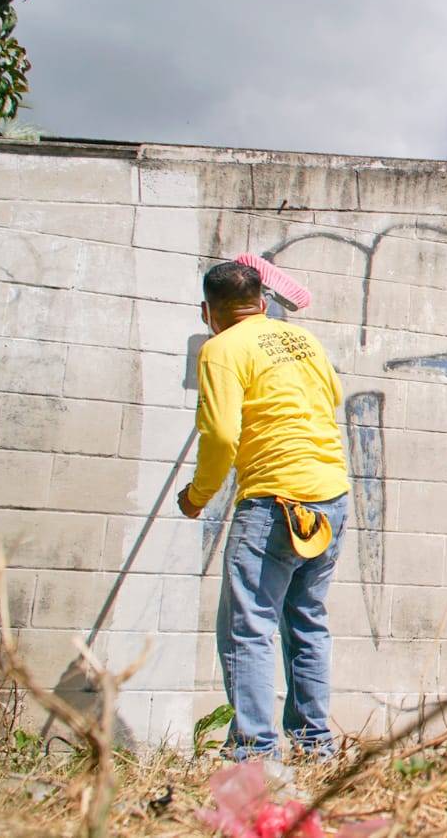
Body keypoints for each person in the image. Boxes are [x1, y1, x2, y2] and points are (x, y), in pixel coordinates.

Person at [177, 261, 350, 759]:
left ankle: (254, 752)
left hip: (273, 502)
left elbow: (223, 435)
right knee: (306, 620)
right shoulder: (304, 341)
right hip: (330, 497)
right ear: (262, 302)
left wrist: (198, 494)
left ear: (207, 311)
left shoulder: (219, 350)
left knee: (248, 626)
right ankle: (314, 746)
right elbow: (332, 396)